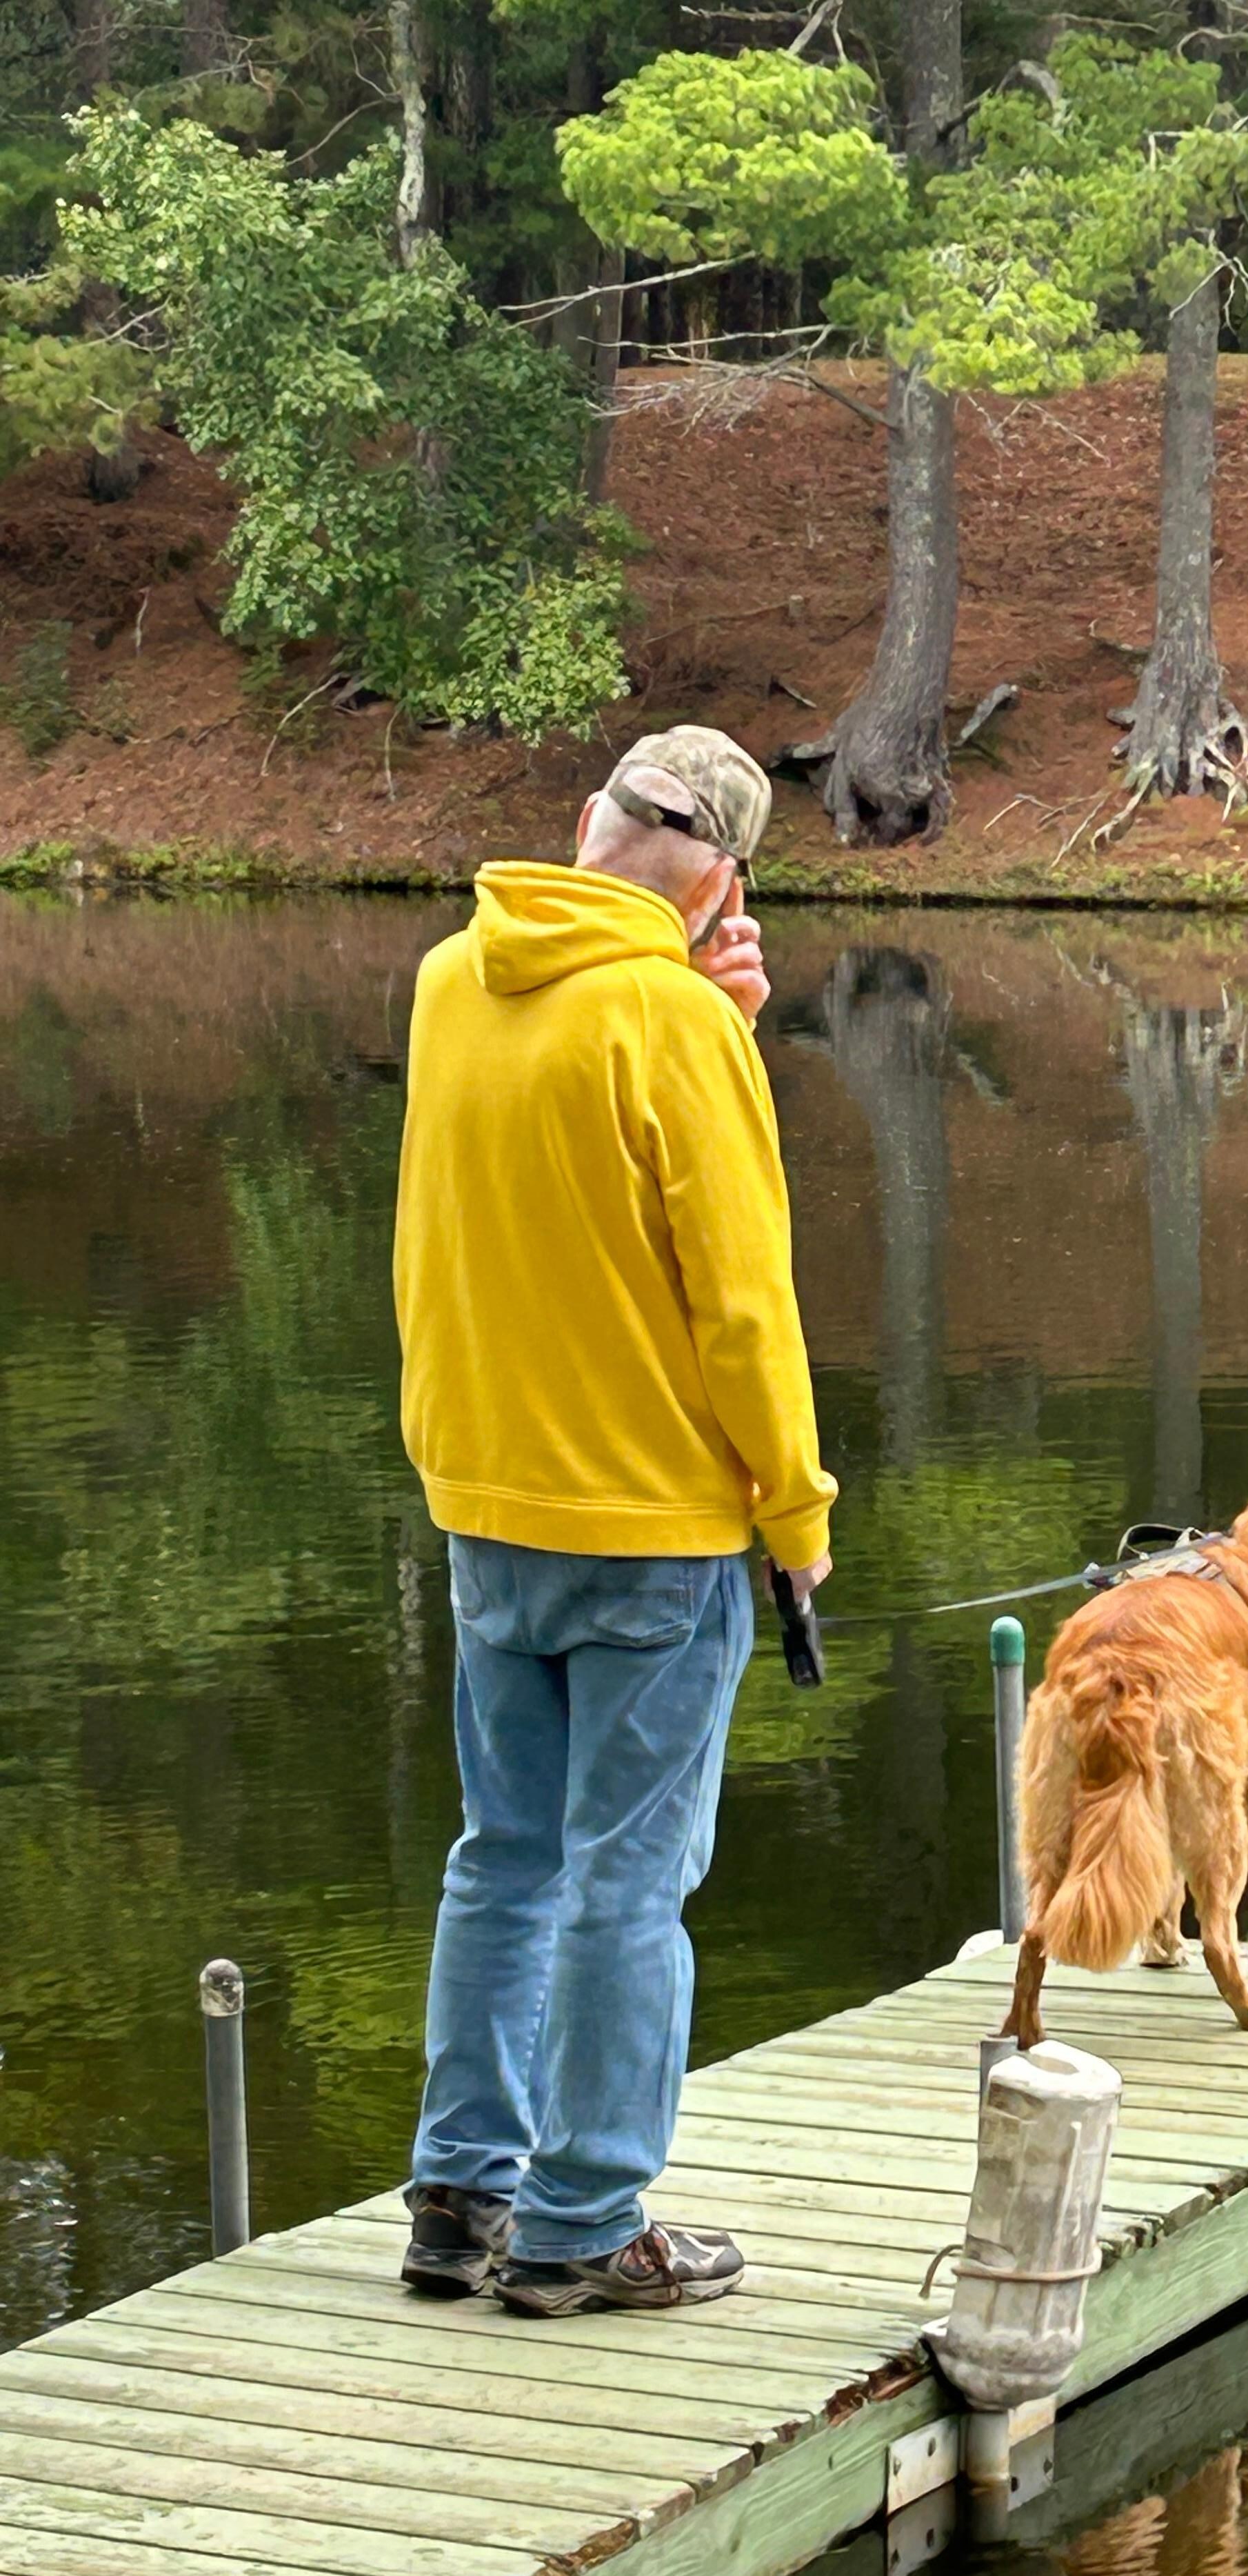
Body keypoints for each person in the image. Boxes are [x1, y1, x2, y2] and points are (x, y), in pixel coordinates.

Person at [391, 726, 835, 2318]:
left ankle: (460, 2199)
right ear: (722, 879)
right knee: (627, 1883)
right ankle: (584, 2225)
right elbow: (741, 1301)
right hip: (650, 1526)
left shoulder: (457, 979)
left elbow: (548, 1144)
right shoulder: (676, 1024)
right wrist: (796, 1512)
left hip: (486, 1501)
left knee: (504, 1858)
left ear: (587, 824)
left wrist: (694, 1013)